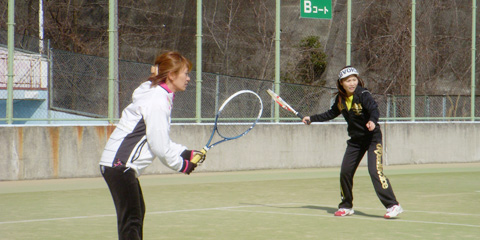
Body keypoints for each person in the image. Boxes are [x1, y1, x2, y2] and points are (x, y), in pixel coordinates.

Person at [99, 51, 206, 239]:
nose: (189, 78)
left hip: (117, 165)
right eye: (186, 73)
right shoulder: (157, 100)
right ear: (171, 75)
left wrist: (186, 153)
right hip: (120, 166)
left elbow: (158, 138)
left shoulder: (158, 93)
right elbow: (158, 145)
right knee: (131, 220)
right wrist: (183, 165)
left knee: (136, 213)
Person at [302, 66, 403, 219]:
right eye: (348, 81)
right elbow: (331, 113)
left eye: (354, 80)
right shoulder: (340, 99)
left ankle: (393, 205)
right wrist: (311, 118)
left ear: (358, 80)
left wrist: (372, 121)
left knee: (375, 172)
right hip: (355, 142)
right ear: (341, 83)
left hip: (372, 139)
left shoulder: (363, 94)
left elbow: (374, 109)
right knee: (345, 172)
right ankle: (346, 206)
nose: (352, 83)